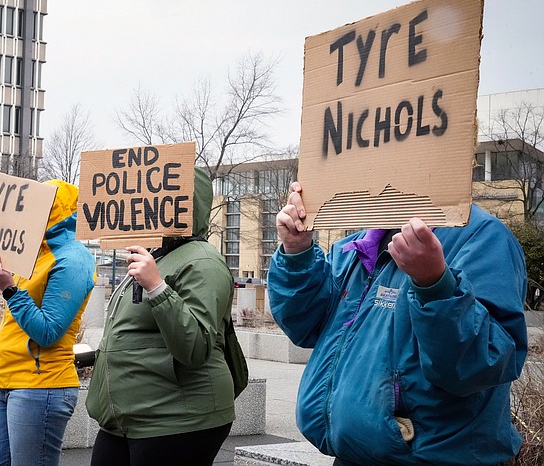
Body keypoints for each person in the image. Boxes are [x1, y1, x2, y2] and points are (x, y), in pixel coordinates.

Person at [267, 182, 528, 465]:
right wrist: (297, 253)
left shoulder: (482, 237)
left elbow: (482, 364)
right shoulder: (358, 243)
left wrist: (435, 284)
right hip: (352, 456)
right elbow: (305, 326)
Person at [86, 168, 236, 466]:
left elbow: (195, 347)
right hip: (126, 420)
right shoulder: (156, 256)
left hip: (176, 419)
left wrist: (156, 287)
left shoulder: (203, 260)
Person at [0, 179, 95, 466]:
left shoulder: (74, 259)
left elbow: (48, 331)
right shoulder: (32, 254)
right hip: (6, 381)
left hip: (41, 387)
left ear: (55, 211)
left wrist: (9, 289)